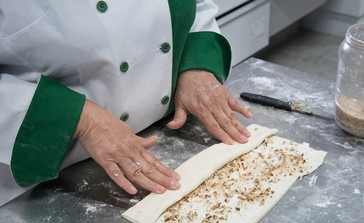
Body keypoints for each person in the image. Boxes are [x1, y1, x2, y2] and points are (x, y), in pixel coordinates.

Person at [0, 0, 252, 206]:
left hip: (166, 130)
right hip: (50, 172)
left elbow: (194, 7)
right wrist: (78, 118)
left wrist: (195, 65)